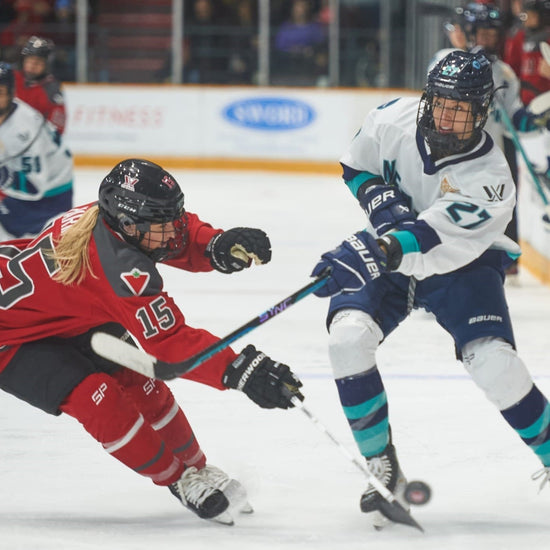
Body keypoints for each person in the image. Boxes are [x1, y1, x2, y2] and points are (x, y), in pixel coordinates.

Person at [310, 50, 550, 530]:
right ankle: (382, 464)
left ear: (482, 112)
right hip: (392, 255)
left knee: (494, 362)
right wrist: (379, 202)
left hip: (460, 264)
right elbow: (356, 167)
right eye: (441, 102)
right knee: (347, 338)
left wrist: (379, 247)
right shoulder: (391, 118)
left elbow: (432, 237)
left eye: (462, 108)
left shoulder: (491, 178)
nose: (448, 114)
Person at [0, 157, 304, 525]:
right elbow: (170, 343)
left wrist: (216, 244)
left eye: (173, 218)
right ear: (127, 223)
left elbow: (174, 231)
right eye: (164, 224)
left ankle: (199, 469)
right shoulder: (117, 268)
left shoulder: (112, 223)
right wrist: (238, 370)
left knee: (143, 386)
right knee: (99, 398)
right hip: (10, 337)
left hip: (67, 316)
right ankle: (179, 480)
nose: (174, 232)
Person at [432, 3, 550, 280]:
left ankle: (492, 268)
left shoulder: (504, 73)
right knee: (448, 213)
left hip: (488, 159)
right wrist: (472, 64)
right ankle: (440, 271)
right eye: (482, 33)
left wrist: (536, 119)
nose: (488, 40)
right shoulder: (446, 58)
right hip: (450, 157)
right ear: (469, 33)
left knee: (491, 215)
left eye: (492, 34)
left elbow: (513, 117)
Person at [0, 62, 73, 241]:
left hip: (50, 196)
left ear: (11, 93)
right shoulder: (7, 112)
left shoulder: (24, 131)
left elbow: (33, 187)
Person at [13, 35, 67, 135]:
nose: (32, 66)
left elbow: (57, 126)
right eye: (29, 61)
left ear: (47, 65)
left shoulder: (52, 89)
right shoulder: (11, 78)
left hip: (35, 143)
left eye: (38, 62)